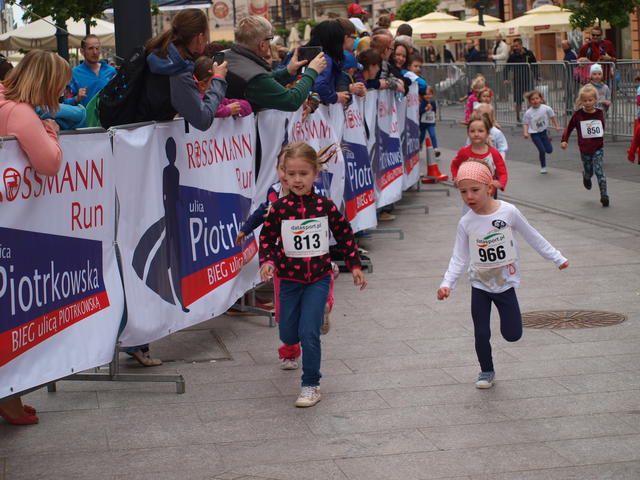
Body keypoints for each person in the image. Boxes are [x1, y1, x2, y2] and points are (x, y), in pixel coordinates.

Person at [437, 160, 569, 389]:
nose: (469, 197)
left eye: (475, 190)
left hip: (505, 284)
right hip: (479, 285)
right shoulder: (466, 222)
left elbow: (532, 235)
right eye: (463, 192)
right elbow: (459, 257)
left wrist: (556, 257)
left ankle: (508, 329)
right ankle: (486, 371)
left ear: (489, 188)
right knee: (481, 333)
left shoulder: (509, 212)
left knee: (512, 334)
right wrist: (447, 283)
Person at [259, 142, 367, 407]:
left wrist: (354, 265)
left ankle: (311, 385)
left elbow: (344, 234)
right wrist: (267, 262)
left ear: (315, 174)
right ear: (284, 174)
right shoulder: (279, 209)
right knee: (288, 333)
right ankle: (310, 324)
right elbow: (267, 240)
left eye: (303, 174)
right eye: (291, 174)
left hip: (318, 279)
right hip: (289, 280)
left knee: (308, 332)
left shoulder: (324, 206)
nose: (297, 180)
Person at [0, 50, 71, 425]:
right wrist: (51, 130)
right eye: (59, 86)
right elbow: (49, 162)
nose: (60, 93)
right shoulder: (21, 113)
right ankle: (8, 396)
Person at [137, 8, 227, 131]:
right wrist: (218, 79)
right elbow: (203, 119)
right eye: (207, 34)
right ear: (200, 37)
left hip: (133, 133)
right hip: (144, 138)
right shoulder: (177, 69)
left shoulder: (156, 52)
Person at [225, 16, 326, 112]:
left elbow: (266, 82)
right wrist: (312, 71)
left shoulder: (225, 56)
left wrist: (288, 71)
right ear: (262, 45)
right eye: (270, 39)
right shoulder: (254, 76)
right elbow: (291, 100)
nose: (270, 43)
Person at [561, 84, 609, 207]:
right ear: (581, 101)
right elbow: (569, 127)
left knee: (599, 170)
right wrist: (564, 140)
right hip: (585, 148)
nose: (587, 103)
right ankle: (586, 176)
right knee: (589, 171)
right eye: (585, 100)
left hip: (598, 147)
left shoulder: (599, 113)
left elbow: (601, 128)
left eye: (590, 100)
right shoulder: (578, 115)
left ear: (595, 100)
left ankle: (604, 195)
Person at [451, 113, 508, 194]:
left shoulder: (493, 153)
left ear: (487, 133)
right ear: (468, 133)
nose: (476, 134)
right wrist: (456, 177)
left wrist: (500, 183)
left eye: (480, 131)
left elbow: (503, 172)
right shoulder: (464, 152)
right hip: (470, 194)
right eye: (472, 131)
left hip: (488, 193)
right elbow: (454, 165)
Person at [303, 20, 350, 105]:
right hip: (315, 109)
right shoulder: (323, 59)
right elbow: (319, 86)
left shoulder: (297, 53)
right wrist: (335, 97)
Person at [65, 34, 116, 107]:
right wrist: (76, 98)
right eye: (90, 48)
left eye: (97, 48)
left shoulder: (111, 71)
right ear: (82, 51)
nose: (95, 52)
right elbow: (65, 103)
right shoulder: (74, 73)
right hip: (86, 114)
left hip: (109, 113)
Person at [522, 90, 560, 174]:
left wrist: (556, 126)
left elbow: (553, 117)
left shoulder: (546, 108)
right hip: (534, 134)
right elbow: (525, 123)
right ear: (529, 101)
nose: (535, 101)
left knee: (549, 150)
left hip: (543, 132)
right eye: (532, 99)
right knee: (542, 150)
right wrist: (525, 132)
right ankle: (543, 167)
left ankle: (547, 143)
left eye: (537, 98)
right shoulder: (528, 112)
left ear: (541, 99)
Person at [506, 38, 537, 122]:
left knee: (530, 98)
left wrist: (537, 76)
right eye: (514, 46)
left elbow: (534, 65)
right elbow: (507, 67)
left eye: (516, 46)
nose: (515, 48)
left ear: (521, 45)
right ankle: (518, 117)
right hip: (517, 80)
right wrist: (506, 78)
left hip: (528, 79)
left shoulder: (529, 53)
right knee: (518, 100)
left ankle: (531, 116)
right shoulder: (513, 55)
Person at [420, 86, 440, 157]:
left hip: (430, 123)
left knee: (433, 135)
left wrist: (435, 114)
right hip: (422, 123)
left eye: (429, 94)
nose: (427, 96)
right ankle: (420, 144)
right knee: (422, 136)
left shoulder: (433, 102)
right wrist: (425, 109)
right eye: (425, 94)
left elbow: (434, 110)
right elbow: (420, 111)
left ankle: (435, 149)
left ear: (432, 94)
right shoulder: (423, 102)